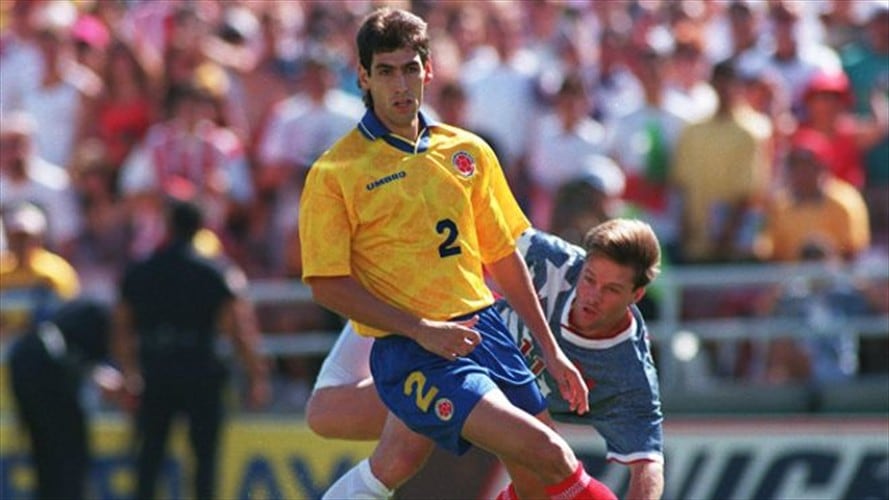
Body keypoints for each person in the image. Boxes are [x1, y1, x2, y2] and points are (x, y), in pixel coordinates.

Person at [299, 7, 614, 500]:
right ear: (363, 76)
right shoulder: (336, 171)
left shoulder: (468, 151)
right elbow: (326, 284)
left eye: (410, 69)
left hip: (484, 330)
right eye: (385, 71)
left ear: (428, 70)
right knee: (551, 454)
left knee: (535, 479)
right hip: (414, 348)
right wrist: (419, 329)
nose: (400, 85)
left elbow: (502, 255)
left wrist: (550, 349)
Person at [309, 219, 665, 500]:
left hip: (497, 394)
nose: (592, 295)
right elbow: (458, 239)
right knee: (330, 418)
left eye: (612, 290)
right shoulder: (549, 260)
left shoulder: (629, 371)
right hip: (447, 344)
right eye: (590, 279)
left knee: (535, 471)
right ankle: (375, 313)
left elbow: (648, 465)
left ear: (636, 295)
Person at [111, 197, 270, 500]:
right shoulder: (215, 272)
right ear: (200, 228)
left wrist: (129, 371)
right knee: (204, 460)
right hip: (201, 367)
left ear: (168, 227)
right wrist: (256, 375)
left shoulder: (142, 270)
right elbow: (238, 329)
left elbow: (121, 327)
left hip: (155, 368)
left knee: (149, 457)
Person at [9, 298, 122, 500]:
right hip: (40, 373)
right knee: (66, 453)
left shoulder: (90, 319)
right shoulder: (96, 315)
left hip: (26, 366)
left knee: (49, 454)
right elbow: (58, 347)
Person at [0, 202, 80, 340]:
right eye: (16, 237)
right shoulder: (3, 271)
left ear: (40, 238)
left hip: (42, 345)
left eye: (26, 237)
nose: (21, 243)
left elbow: (66, 316)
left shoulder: (57, 273)